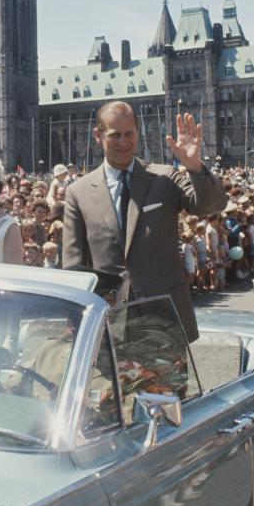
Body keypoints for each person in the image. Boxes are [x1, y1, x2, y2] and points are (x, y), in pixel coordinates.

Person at [62, 104, 227, 342]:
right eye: (115, 135)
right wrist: (76, 322)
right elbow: (73, 264)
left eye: (129, 134)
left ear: (138, 133)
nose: (123, 142)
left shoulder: (164, 178)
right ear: (98, 136)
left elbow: (211, 206)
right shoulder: (78, 192)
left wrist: (194, 166)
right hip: (109, 323)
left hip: (164, 319)